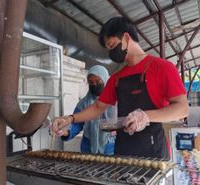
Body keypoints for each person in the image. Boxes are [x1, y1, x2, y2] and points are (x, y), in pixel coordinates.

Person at [52, 16, 189, 159]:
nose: (111, 53)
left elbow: (182, 109)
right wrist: (70, 119)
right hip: (123, 148)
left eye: (112, 45)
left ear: (126, 37)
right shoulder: (116, 78)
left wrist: (145, 116)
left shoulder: (163, 68)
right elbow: (98, 107)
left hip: (152, 148)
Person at [58, 65, 116, 155]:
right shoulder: (83, 103)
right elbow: (76, 124)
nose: (95, 85)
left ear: (105, 80)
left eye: (98, 81)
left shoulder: (115, 101)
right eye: (91, 83)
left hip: (111, 147)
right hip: (88, 148)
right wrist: (65, 132)